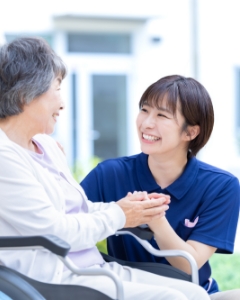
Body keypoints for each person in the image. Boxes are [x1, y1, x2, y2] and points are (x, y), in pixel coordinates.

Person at [0, 37, 211, 300]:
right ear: (25, 95)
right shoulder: (5, 158)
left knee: (195, 294)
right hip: (56, 277)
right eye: (57, 89)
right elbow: (57, 233)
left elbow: (78, 209)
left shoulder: (46, 146)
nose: (63, 103)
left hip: (92, 268)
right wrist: (120, 215)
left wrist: (131, 208)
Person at [81, 75, 240, 299]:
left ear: (190, 132)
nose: (146, 123)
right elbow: (68, 224)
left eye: (161, 115)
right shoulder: (109, 174)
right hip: (127, 290)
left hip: (196, 293)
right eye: (144, 110)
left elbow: (188, 265)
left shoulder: (221, 186)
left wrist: (154, 218)